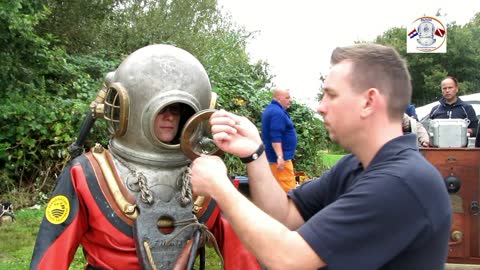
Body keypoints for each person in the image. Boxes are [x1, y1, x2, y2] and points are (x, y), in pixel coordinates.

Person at [190, 43, 451, 269]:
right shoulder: (355, 166)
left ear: (369, 101)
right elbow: (285, 215)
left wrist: (219, 186)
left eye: (331, 95)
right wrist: (255, 153)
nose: (320, 107)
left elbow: (287, 257)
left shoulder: (402, 182)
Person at [30, 44, 261, 270]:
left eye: (177, 110)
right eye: (162, 109)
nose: (169, 117)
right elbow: (51, 256)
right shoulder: (90, 175)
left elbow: (243, 250)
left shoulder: (209, 178)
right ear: (132, 109)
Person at [260, 88, 298, 192]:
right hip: (280, 160)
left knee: (276, 189)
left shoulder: (272, 109)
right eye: (287, 97)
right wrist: (280, 157)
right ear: (279, 98)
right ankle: (287, 208)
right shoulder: (277, 112)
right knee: (288, 191)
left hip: (275, 159)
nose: (290, 100)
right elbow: (275, 136)